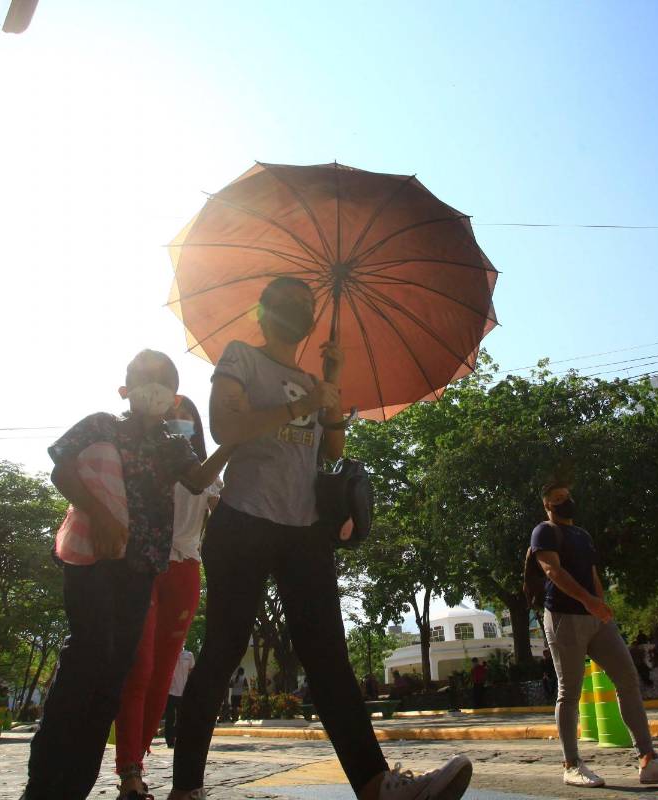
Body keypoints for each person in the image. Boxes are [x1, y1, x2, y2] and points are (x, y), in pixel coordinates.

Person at [170, 277, 472, 800]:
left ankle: (376, 785)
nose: (298, 310)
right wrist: (302, 402)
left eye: (306, 304)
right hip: (243, 521)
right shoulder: (240, 356)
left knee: (329, 656)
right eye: (286, 302)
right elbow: (225, 426)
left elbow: (330, 453)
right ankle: (186, 789)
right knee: (222, 650)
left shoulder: (313, 376)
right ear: (263, 314)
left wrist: (330, 386)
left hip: (304, 531)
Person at [24, 350, 231, 800]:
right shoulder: (102, 425)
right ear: (125, 389)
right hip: (96, 559)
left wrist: (234, 442)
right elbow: (61, 468)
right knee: (88, 657)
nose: (153, 388)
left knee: (113, 676)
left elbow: (197, 480)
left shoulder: (171, 444)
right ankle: (43, 785)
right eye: (145, 379)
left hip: (143, 568)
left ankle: (74, 785)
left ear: (173, 397)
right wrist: (98, 513)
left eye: (162, 382)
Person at [532, 481, 658, 788]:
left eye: (567, 496)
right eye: (557, 499)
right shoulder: (544, 531)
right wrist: (587, 601)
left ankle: (649, 760)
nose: (565, 502)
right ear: (547, 506)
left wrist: (600, 605)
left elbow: (592, 574)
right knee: (569, 692)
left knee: (628, 679)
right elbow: (552, 571)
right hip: (565, 618)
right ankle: (571, 764)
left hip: (597, 619)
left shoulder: (583, 535)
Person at [115, 395, 229, 799]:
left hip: (185, 572)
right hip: (144, 566)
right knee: (140, 667)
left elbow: (221, 518)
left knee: (162, 675)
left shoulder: (209, 473)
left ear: (197, 426)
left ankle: (138, 759)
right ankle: (128, 769)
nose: (180, 420)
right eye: (172, 414)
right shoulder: (151, 460)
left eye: (187, 416)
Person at [165, 648, 197, 748]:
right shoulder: (169, 653)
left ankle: (178, 738)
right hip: (170, 692)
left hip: (183, 692)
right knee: (170, 718)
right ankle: (169, 740)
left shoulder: (189, 655)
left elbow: (192, 671)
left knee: (181, 718)